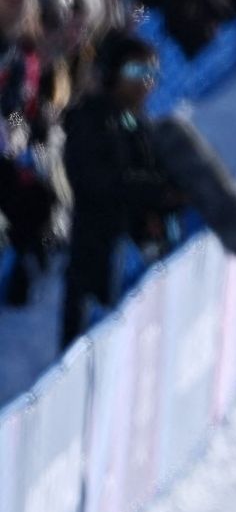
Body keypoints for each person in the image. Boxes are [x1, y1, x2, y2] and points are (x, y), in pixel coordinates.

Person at [60, 33, 183, 347]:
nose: (145, 82)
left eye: (151, 73)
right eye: (136, 71)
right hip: (95, 254)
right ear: (114, 72)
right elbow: (97, 180)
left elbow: (152, 172)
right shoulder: (90, 118)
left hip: (132, 255)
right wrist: (153, 190)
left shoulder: (136, 122)